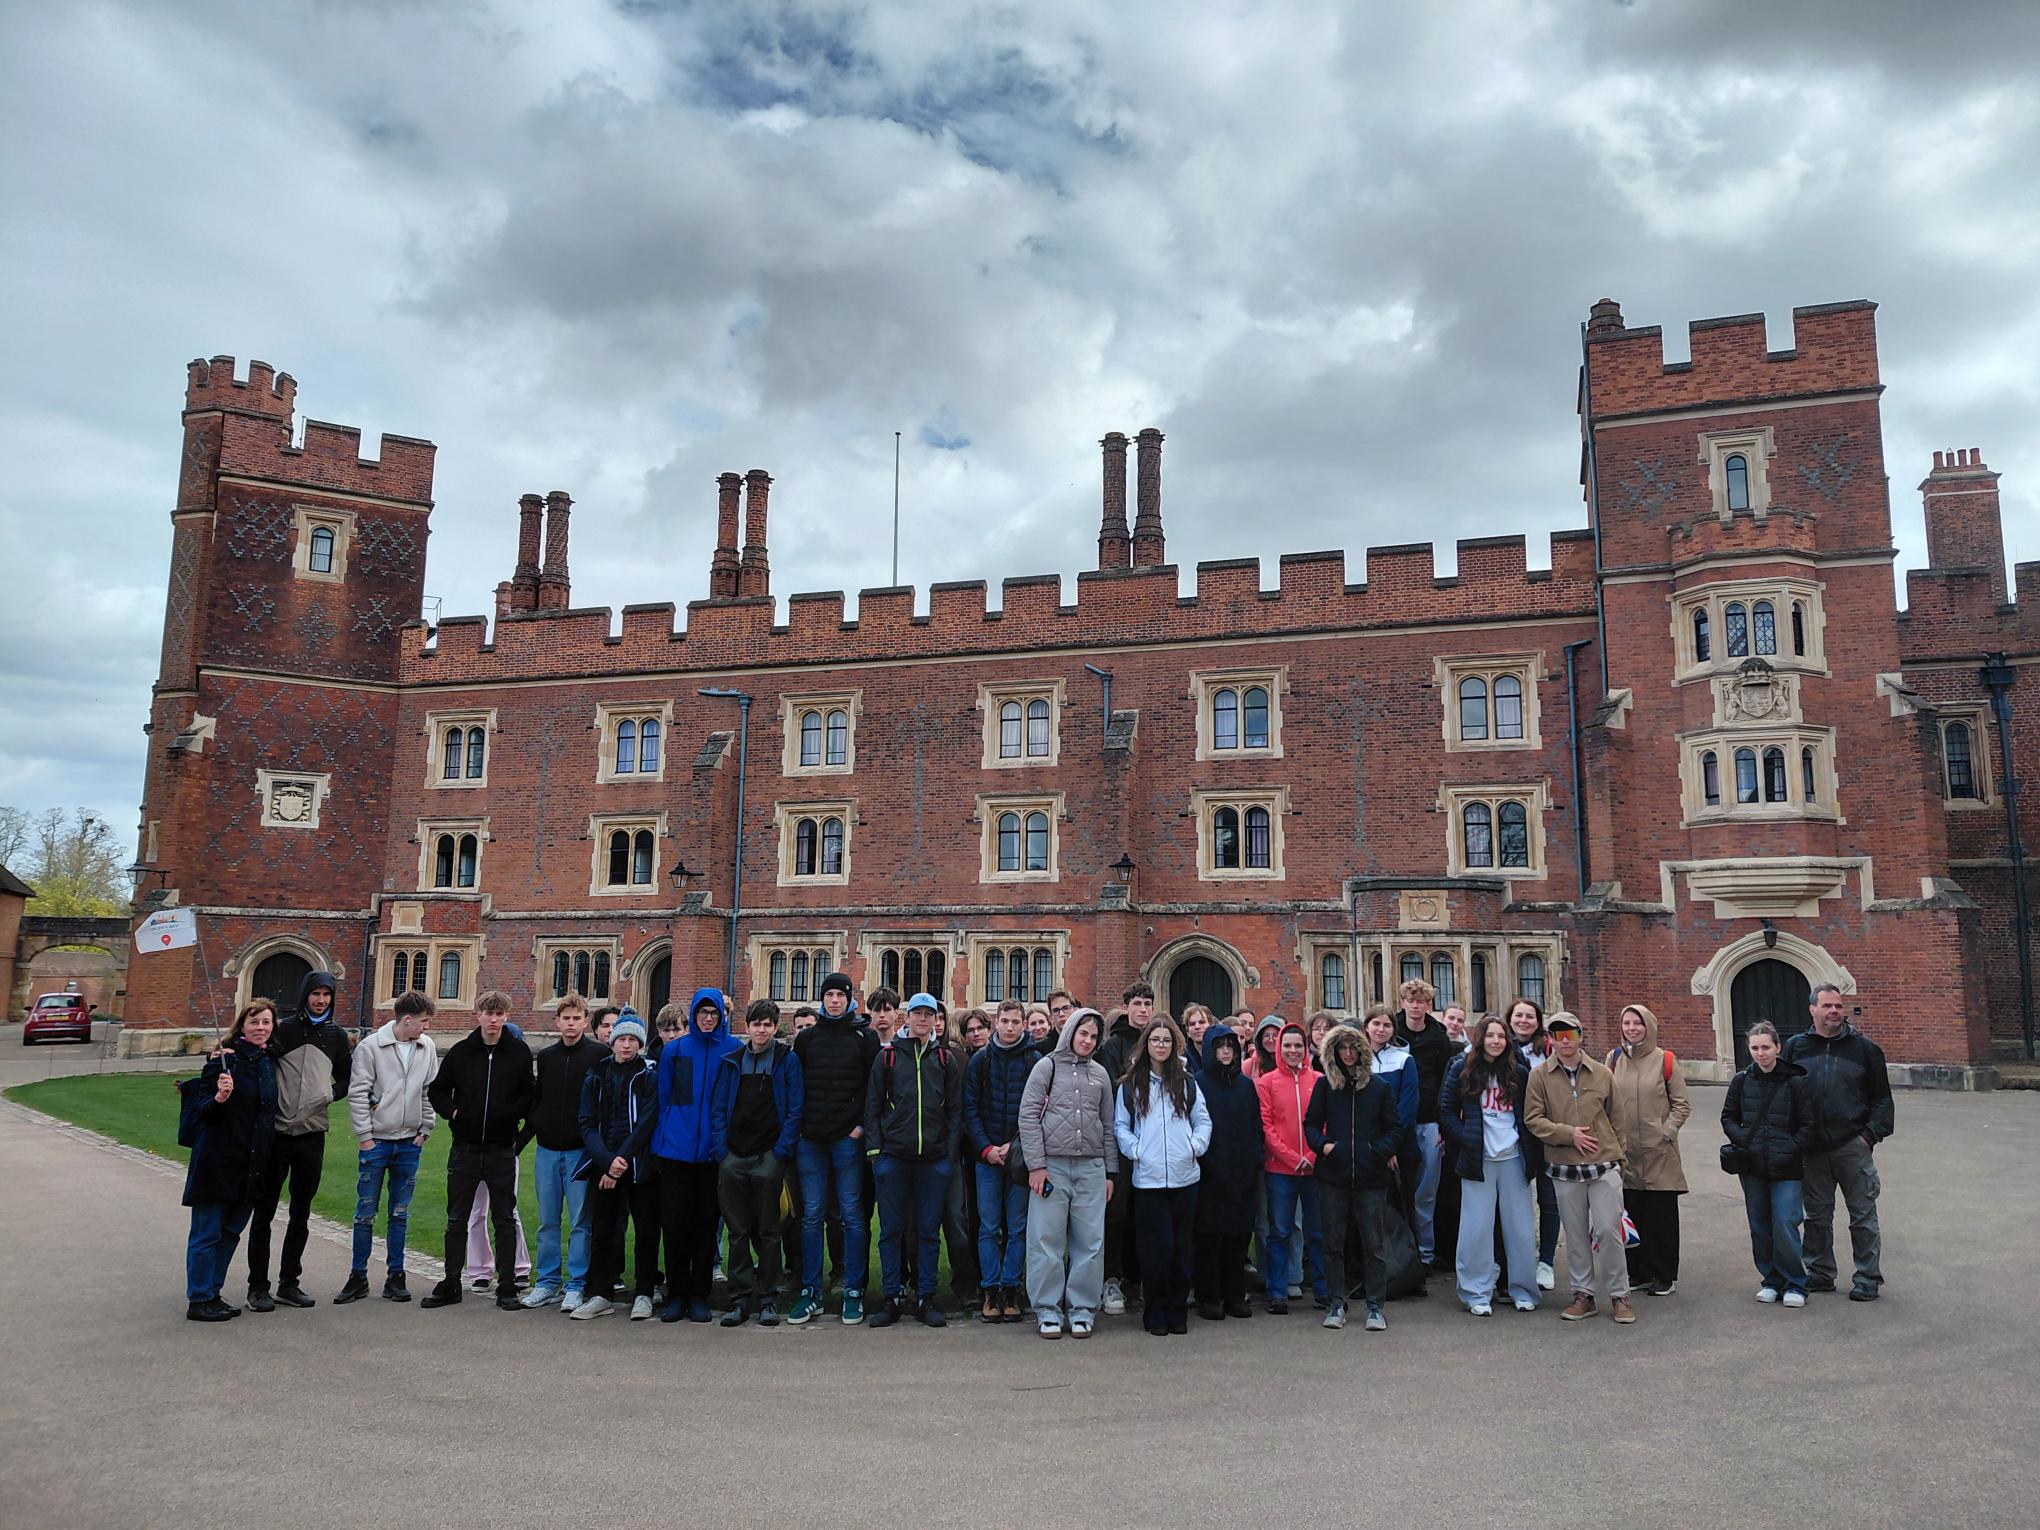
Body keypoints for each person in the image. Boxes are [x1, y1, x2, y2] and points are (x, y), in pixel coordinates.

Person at [244, 969, 352, 1311]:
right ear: (305, 995)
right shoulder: (283, 1029)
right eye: (315, 994)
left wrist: (328, 1095)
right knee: (264, 1212)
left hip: (312, 1133)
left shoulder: (336, 1036)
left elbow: (347, 1078)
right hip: (276, 1133)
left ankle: (289, 1283)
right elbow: (252, 1055)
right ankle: (257, 1286)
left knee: (301, 1213)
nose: (321, 1000)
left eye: (326, 994)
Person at [422, 995, 536, 1310]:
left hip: (501, 1149)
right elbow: (438, 1090)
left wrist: (512, 1118)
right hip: (466, 1148)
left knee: (504, 1219)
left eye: (499, 1014)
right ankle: (451, 1282)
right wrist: (454, 1113)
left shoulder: (518, 1053)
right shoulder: (461, 1052)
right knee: (457, 1218)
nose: (494, 1019)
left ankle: (507, 1286)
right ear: (478, 1015)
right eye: (489, 1013)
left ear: (506, 1016)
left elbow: (530, 1094)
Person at [1782, 984, 1893, 1301]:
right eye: (1827, 1006)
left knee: (1863, 1217)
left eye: (1838, 1006)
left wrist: (1867, 1137)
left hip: (1851, 1147)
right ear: (1812, 1010)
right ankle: (1819, 1272)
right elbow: (1783, 1094)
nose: (1834, 1011)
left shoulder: (1864, 1049)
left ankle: (1867, 1277)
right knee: (1817, 1217)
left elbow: (1882, 1100)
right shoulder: (1795, 1048)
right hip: (1812, 1149)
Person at [1523, 1012, 1634, 1324]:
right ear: (1550, 1039)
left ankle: (1619, 1294)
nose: (1565, 1041)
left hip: (1603, 1163)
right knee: (1575, 1234)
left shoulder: (1602, 1073)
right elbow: (1533, 1118)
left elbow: (1617, 1119)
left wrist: (1619, 1159)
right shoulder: (1540, 1076)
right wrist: (1567, 1134)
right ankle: (1583, 1294)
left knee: (1608, 1229)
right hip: (1565, 1166)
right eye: (1557, 1035)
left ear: (1580, 1036)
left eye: (1570, 1034)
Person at [865, 993, 964, 1328]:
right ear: (906, 1018)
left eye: (929, 1014)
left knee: (928, 1232)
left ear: (936, 1019)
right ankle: (891, 1297)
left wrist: (949, 1154)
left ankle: (926, 1297)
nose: (923, 1019)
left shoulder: (945, 1059)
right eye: (917, 1013)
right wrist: (876, 1153)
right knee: (891, 1231)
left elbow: (955, 1110)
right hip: (894, 1157)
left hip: (933, 1160)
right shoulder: (888, 1057)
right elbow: (872, 1106)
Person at [1020, 1007, 1119, 1339]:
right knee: (1045, 1240)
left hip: (1091, 1167)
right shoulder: (1046, 1067)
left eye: (1093, 1036)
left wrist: (1110, 1172)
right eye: (1083, 1033)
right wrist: (1036, 1165)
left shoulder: (1100, 1074)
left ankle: (1082, 1309)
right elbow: (1028, 1117)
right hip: (1052, 1167)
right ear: (1071, 1032)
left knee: (1090, 1242)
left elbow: (1108, 1125)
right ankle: (1047, 1309)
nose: (1087, 1041)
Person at [789, 972, 881, 1325]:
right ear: (822, 999)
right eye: (829, 995)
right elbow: (797, 1086)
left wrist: (860, 1127)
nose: (835, 1000)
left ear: (849, 999)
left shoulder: (864, 1037)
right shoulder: (807, 1039)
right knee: (811, 1215)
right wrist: (800, 1128)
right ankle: (810, 1291)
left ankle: (853, 1290)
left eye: (840, 995)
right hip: (811, 1139)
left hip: (847, 1138)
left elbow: (873, 1088)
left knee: (851, 1215)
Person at [338, 989, 439, 1305]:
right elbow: (358, 1092)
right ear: (407, 1020)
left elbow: (428, 1090)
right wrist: (365, 1137)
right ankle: (358, 1276)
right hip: (378, 1142)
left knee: (400, 1213)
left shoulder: (426, 1047)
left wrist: (425, 1129)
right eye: (424, 1021)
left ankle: (396, 1276)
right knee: (365, 1212)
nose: (427, 1027)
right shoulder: (371, 1047)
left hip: (409, 1142)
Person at [1437, 1015, 1542, 1317]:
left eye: (1501, 1036)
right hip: (1478, 1159)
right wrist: (1467, 1139)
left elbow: (1529, 1114)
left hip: (1513, 1157)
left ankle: (1523, 1289)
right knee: (1476, 1229)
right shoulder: (1462, 1068)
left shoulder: (1519, 1072)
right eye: (1490, 1035)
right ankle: (1476, 1292)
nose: (1496, 1041)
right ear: (1480, 1038)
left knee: (1520, 1229)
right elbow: (1445, 1111)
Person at [182, 999, 280, 1321]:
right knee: (207, 1233)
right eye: (254, 1022)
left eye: (266, 1022)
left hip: (250, 1164)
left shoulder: (267, 1061)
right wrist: (219, 1097)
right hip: (217, 1160)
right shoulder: (224, 1061)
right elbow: (201, 1112)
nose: (260, 1028)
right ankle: (199, 1298)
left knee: (230, 1233)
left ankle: (213, 1292)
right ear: (242, 1026)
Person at [708, 998, 803, 1327]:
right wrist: (722, 1151)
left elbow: (795, 1109)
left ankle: (768, 1299)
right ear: (746, 1026)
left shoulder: (787, 1060)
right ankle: (738, 1300)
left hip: (768, 1156)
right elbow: (718, 1108)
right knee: (738, 1232)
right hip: (734, 1157)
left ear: (775, 1027)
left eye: (767, 1025)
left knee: (769, 1232)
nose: (761, 1030)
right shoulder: (732, 1062)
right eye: (756, 1024)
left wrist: (780, 1152)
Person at [1114, 1017, 1211, 1337]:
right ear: (1146, 1044)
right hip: (1149, 1180)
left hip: (1185, 1178)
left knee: (1182, 1248)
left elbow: (1202, 1121)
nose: (1161, 1045)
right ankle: (1155, 1310)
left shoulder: (1186, 1081)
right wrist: (1137, 1150)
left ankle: (1177, 1309)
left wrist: (1195, 1147)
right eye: (1155, 1040)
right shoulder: (1131, 1084)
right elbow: (1121, 1126)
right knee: (1157, 1249)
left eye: (1166, 1041)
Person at [1305, 1024, 1400, 1332]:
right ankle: (1336, 1302)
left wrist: (1375, 1151)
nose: (1347, 1053)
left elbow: (1395, 1129)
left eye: (1352, 1047)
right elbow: (1311, 1125)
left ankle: (1375, 1306)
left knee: (1373, 1245)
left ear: (1362, 1050)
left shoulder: (1380, 1087)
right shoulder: (1325, 1086)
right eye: (1342, 1048)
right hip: (1333, 1177)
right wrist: (1326, 1147)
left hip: (1371, 1178)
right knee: (1333, 1243)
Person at [653, 988, 740, 1323]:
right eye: (702, 1012)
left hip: (713, 1154)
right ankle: (677, 1294)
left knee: (706, 1227)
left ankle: (699, 1294)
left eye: (713, 1013)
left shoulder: (733, 1049)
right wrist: (665, 1140)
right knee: (675, 1226)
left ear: (721, 1016)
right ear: (694, 1014)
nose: (708, 1018)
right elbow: (664, 1098)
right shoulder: (675, 1050)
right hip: (677, 1152)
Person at [570, 1010, 659, 1319]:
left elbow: (647, 1122)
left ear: (640, 1044)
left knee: (646, 1230)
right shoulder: (596, 1074)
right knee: (604, 1229)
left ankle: (644, 1292)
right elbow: (586, 1122)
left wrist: (621, 1160)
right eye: (622, 1039)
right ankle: (600, 1293)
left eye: (633, 1040)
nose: (626, 1045)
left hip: (640, 1166)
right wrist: (608, 1162)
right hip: (604, 1164)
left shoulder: (649, 1075)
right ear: (612, 1041)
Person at [1722, 1021, 1818, 1307]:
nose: (1760, 1053)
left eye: (1766, 1047)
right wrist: (1745, 1141)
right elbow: (1728, 1117)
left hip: (1787, 1167)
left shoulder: (1795, 1081)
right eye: (1755, 1048)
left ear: (1778, 1047)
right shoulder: (1741, 1081)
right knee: (1760, 1226)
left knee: (1785, 1222)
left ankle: (1795, 1283)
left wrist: (1791, 1147)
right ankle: (1771, 1280)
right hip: (1752, 1166)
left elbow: (1809, 1124)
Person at [519, 994, 601, 1309]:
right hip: (548, 1150)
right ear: (557, 1022)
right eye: (565, 1018)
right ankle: (548, 1281)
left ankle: (576, 1283)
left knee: (580, 1221)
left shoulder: (598, 1054)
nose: (570, 1024)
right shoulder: (547, 1057)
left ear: (585, 1022)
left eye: (576, 1018)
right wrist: (528, 1134)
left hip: (580, 1151)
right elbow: (539, 1099)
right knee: (548, 1220)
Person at [1609, 1004, 1690, 1297]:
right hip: (1626, 1152)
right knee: (1632, 1212)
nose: (1632, 1028)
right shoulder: (1613, 1059)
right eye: (1627, 1023)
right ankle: (1638, 1272)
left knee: (1661, 1217)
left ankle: (1664, 1275)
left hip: (1659, 1153)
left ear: (1649, 1026)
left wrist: (1666, 1132)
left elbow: (1681, 1104)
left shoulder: (1665, 1060)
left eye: (1638, 1023)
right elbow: (1607, 1100)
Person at [966, 998, 1038, 1323]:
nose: (1010, 1027)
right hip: (987, 1158)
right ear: (997, 1022)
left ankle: (1011, 1288)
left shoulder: (1035, 1062)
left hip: (1019, 1157)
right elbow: (970, 1109)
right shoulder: (980, 1060)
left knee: (1018, 1228)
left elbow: (1039, 1109)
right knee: (988, 1227)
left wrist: (1014, 1145)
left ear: (1023, 1024)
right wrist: (986, 1148)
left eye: (1015, 1022)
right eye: (1005, 1021)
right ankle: (990, 1289)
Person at [1192, 1025, 1262, 1321]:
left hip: (1242, 1172)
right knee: (1209, 1240)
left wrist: (1254, 1159)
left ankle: (1234, 1294)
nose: (1225, 1052)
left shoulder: (1245, 1086)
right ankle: (1209, 1297)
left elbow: (1255, 1126)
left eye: (1230, 1046)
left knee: (1238, 1237)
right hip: (1210, 1173)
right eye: (1219, 1046)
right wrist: (1207, 1162)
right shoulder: (1197, 1083)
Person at [462, 999, 533, 1293]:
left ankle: (519, 1267)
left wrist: (518, 1143)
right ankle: (480, 1269)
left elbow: (531, 1107)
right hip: (472, 1149)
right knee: (476, 1212)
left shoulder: (518, 1065)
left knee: (508, 1211)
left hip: (504, 1148)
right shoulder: (470, 1058)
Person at [1256, 1021, 1326, 1313]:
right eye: (1287, 1045)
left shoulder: (1319, 1080)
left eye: (1298, 1045)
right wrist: (1290, 1157)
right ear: (1279, 1048)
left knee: (1318, 1232)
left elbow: (1325, 1122)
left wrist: (1311, 1154)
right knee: (1280, 1231)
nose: (1293, 1050)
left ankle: (1324, 1291)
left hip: (1314, 1168)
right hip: (1280, 1170)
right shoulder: (1267, 1082)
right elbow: (1266, 1126)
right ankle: (1277, 1291)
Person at [1097, 981, 1156, 1317]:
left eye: (1147, 1004)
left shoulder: (1157, 1041)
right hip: (1121, 1141)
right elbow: (1111, 1090)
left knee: (1145, 1212)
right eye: (1137, 1003)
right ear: (1127, 1007)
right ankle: (1112, 1278)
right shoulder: (1113, 1045)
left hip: (1154, 1142)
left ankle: (1141, 1275)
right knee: (1117, 1213)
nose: (1143, 1010)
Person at [1393, 978, 1454, 1268]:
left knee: (1426, 1192)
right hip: (1398, 1124)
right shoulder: (1392, 1031)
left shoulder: (1439, 1037)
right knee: (1398, 1189)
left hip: (1429, 1122)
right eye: (1411, 1001)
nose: (1415, 1006)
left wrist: (1443, 1124)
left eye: (1421, 1002)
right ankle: (1402, 1252)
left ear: (1428, 1005)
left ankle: (1426, 1253)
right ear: (1402, 1002)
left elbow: (1446, 1082)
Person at [1507, 997, 1560, 1289]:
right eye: (1519, 1015)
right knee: (1516, 1203)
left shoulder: (1549, 1050)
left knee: (1549, 1201)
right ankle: (1518, 1258)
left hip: (1547, 1136)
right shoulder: (1500, 1047)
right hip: (1515, 1137)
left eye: (1529, 1016)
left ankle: (1546, 1262)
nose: (1523, 1021)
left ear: (1538, 1022)